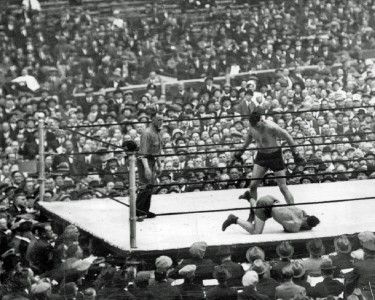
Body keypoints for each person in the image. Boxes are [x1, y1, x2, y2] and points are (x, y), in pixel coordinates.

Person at [234, 111, 305, 210]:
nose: (256, 128)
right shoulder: (252, 126)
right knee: (253, 186)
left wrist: (295, 153)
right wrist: (240, 153)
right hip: (261, 156)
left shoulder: (271, 127)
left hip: (275, 156)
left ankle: (294, 211)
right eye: (254, 126)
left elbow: (288, 136)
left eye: (257, 125)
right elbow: (248, 140)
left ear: (261, 120)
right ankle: (254, 212)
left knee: (283, 187)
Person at [222, 195, 320, 234]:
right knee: (256, 231)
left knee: (257, 207)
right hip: (266, 207)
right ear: (307, 225)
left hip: (272, 199)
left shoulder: (301, 212)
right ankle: (234, 219)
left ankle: (249, 197)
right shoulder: (296, 225)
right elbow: (285, 229)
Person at [136, 108, 163, 219]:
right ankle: (137, 212)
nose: (161, 122)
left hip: (152, 161)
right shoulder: (147, 133)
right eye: (158, 120)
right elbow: (143, 153)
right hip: (144, 162)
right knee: (145, 186)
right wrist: (146, 168)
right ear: (152, 119)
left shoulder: (158, 132)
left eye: (162, 120)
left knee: (150, 187)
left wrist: (159, 164)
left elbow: (157, 150)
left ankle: (144, 211)